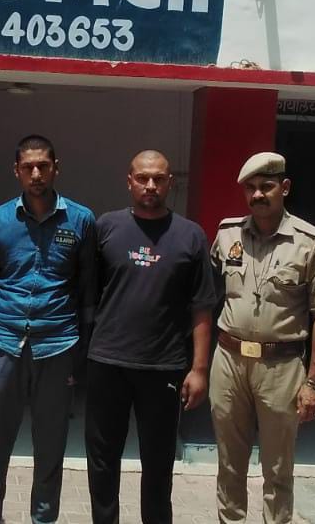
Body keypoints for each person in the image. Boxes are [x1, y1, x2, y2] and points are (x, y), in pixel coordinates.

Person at [0, 134, 96, 524]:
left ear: (56, 168)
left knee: (51, 445)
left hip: (58, 345)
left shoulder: (80, 220)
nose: (36, 174)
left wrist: (84, 351)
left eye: (43, 166)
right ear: (17, 171)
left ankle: (44, 519)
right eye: (28, 167)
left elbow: (88, 291)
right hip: (3, 343)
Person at [85, 150, 215, 524]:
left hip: (164, 366)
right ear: (129, 181)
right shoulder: (105, 227)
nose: (151, 185)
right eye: (143, 178)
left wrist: (200, 369)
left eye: (159, 178)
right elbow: (88, 294)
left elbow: (202, 306)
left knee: (158, 465)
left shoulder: (190, 235)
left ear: (170, 182)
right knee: (102, 460)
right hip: (108, 362)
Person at [210, 152, 315, 524]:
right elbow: (207, 294)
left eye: (266, 186)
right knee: (228, 462)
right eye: (250, 188)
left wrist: (314, 382)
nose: (257, 195)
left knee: (278, 468)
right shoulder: (227, 234)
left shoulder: (312, 241)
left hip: (281, 366)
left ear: (285, 188)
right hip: (229, 360)